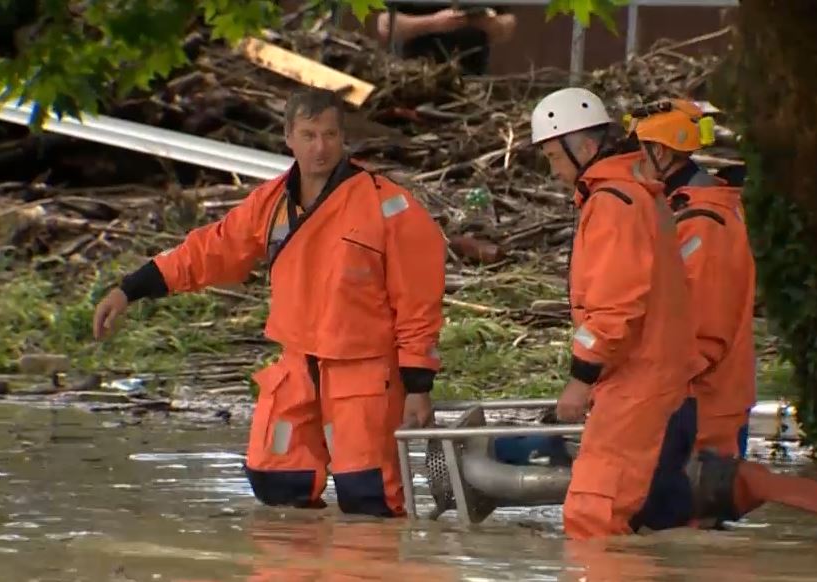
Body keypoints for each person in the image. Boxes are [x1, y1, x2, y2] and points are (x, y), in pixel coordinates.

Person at [91, 88, 447, 518]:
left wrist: (418, 386)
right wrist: (130, 288)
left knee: (368, 497)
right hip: (297, 368)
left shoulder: (387, 205)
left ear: (343, 138)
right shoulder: (272, 203)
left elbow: (418, 303)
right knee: (277, 481)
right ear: (288, 138)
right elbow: (210, 251)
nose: (321, 147)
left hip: (364, 374)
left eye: (331, 135)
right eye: (310, 135)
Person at [530, 87, 699, 540]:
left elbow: (615, 306)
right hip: (644, 377)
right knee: (626, 518)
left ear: (583, 147)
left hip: (635, 381)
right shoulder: (632, 194)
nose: (554, 170)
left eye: (553, 156)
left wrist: (580, 378)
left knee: (593, 519)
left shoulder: (614, 203)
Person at [626, 99, 756, 459]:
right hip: (695, 401)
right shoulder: (692, 209)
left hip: (704, 409)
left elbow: (702, 331)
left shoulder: (702, 221)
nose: (632, 164)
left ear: (661, 153)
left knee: (685, 514)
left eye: (639, 151)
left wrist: (642, 387)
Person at [374, 4, 517, 75]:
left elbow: (508, 25)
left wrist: (481, 22)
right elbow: (386, 26)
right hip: (416, 75)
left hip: (472, 78)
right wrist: (433, 23)